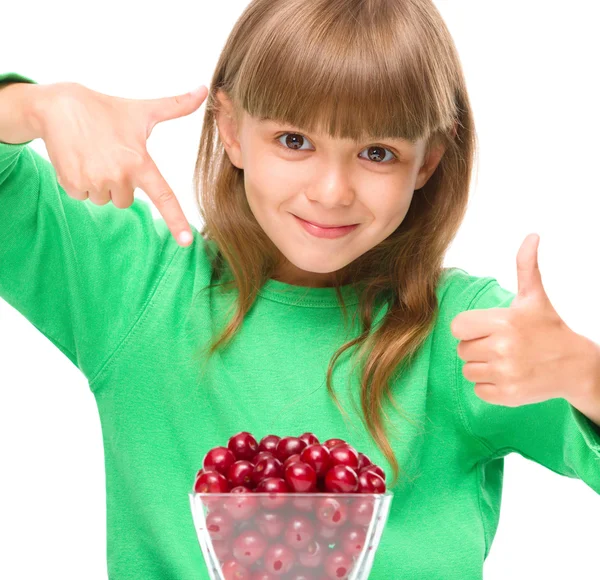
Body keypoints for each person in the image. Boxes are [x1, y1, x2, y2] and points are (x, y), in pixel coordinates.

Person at [1, 1, 599, 578]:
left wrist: (583, 373)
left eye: (376, 152)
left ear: (427, 162)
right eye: (294, 141)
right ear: (231, 131)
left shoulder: (464, 334)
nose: (332, 190)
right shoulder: (136, 287)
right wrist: (33, 105)